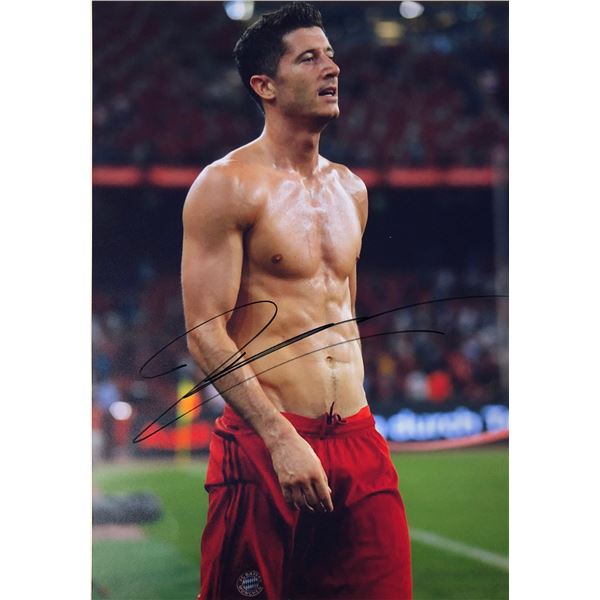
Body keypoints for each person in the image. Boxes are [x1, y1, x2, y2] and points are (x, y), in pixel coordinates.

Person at [181, 3, 412, 598]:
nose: (331, 67)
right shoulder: (226, 185)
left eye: (330, 55)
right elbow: (205, 332)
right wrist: (280, 436)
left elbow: (343, 316)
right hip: (266, 442)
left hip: (358, 439)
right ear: (265, 86)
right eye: (308, 58)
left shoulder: (351, 189)